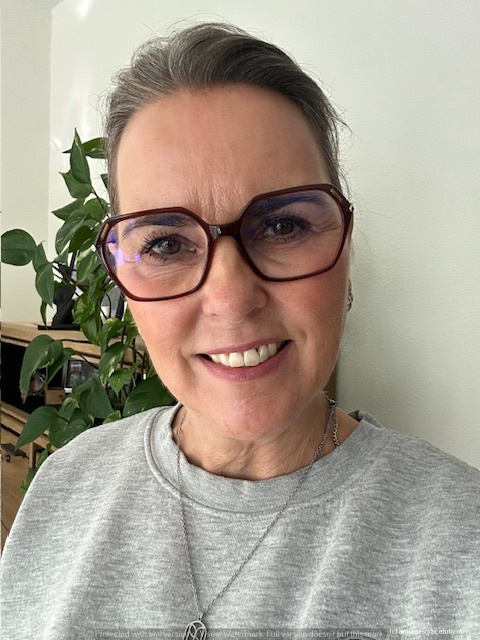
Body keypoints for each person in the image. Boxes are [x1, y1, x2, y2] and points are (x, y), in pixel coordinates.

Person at [1, 22, 479, 640]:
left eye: (283, 226)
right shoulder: (64, 486)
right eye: (166, 243)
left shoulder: (461, 541)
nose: (230, 300)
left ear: (345, 243)